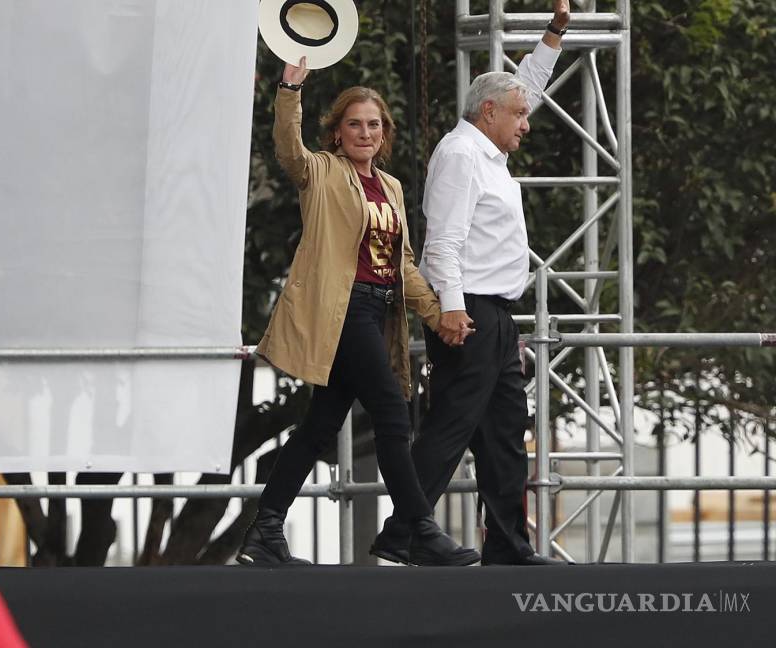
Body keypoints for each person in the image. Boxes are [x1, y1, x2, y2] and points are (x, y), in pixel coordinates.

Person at [237, 55, 478, 567]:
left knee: (319, 427)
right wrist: (289, 90)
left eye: (373, 125)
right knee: (393, 415)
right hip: (340, 312)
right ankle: (419, 530)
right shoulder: (322, 172)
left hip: (376, 314)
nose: (365, 133)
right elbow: (289, 151)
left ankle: (265, 530)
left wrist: (437, 314)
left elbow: (404, 264)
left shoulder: (389, 188)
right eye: (354, 124)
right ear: (338, 131)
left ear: (384, 132)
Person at [369, 0, 573, 566]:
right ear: (489, 112)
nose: (527, 124)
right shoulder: (461, 155)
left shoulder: (488, 149)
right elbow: (442, 244)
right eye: (519, 117)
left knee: (506, 430)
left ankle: (507, 543)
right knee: (453, 423)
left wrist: (554, 31)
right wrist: (451, 310)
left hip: (497, 315)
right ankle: (406, 530)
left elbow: (525, 84)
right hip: (471, 311)